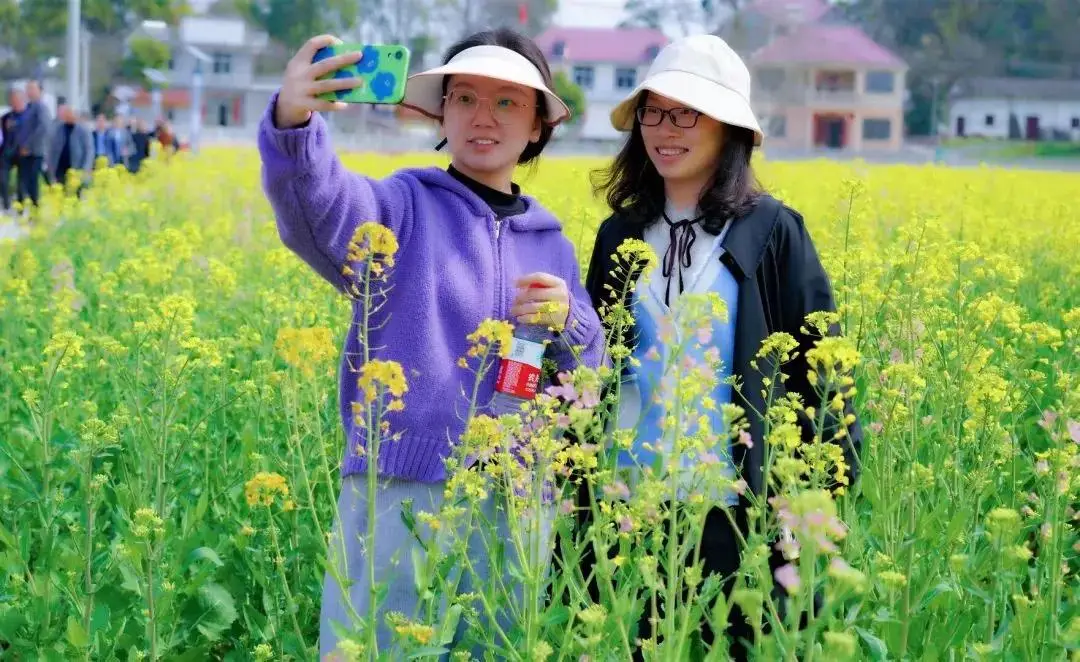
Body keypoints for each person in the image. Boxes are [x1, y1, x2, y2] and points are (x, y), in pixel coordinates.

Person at [257, 29, 606, 658]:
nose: (482, 117)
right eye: (465, 97)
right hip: (402, 488)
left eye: (507, 103)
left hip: (514, 495)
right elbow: (320, 208)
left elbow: (586, 374)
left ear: (536, 127)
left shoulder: (550, 239)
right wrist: (294, 121)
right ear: (440, 111)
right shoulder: (400, 205)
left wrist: (570, 325)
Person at [582, 35, 863, 659]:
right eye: (654, 112)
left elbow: (823, 369)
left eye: (688, 114)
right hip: (634, 506)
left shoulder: (772, 230)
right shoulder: (620, 233)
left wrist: (820, 495)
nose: (665, 129)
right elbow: (593, 363)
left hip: (739, 510)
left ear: (729, 129)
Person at [13, 79, 51, 210]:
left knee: (33, 182)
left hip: (35, 151)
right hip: (24, 152)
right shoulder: (28, 107)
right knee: (23, 182)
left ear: (40, 91)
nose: (29, 92)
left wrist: (28, 145)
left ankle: (35, 210)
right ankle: (23, 209)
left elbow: (43, 128)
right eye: (28, 89)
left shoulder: (41, 107)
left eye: (32, 89)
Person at [46, 100, 94, 195]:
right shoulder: (58, 129)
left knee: (76, 194)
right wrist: (50, 166)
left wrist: (85, 168)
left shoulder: (83, 130)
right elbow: (51, 148)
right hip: (60, 168)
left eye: (70, 113)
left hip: (76, 168)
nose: (68, 116)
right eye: (66, 114)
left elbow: (89, 150)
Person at [1, 88, 25, 214]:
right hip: (7, 152)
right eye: (12, 100)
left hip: (22, 152)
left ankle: (20, 206)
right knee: (3, 179)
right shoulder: (5, 117)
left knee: (21, 181)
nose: (14, 102)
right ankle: (6, 205)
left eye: (16, 99)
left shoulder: (27, 116)